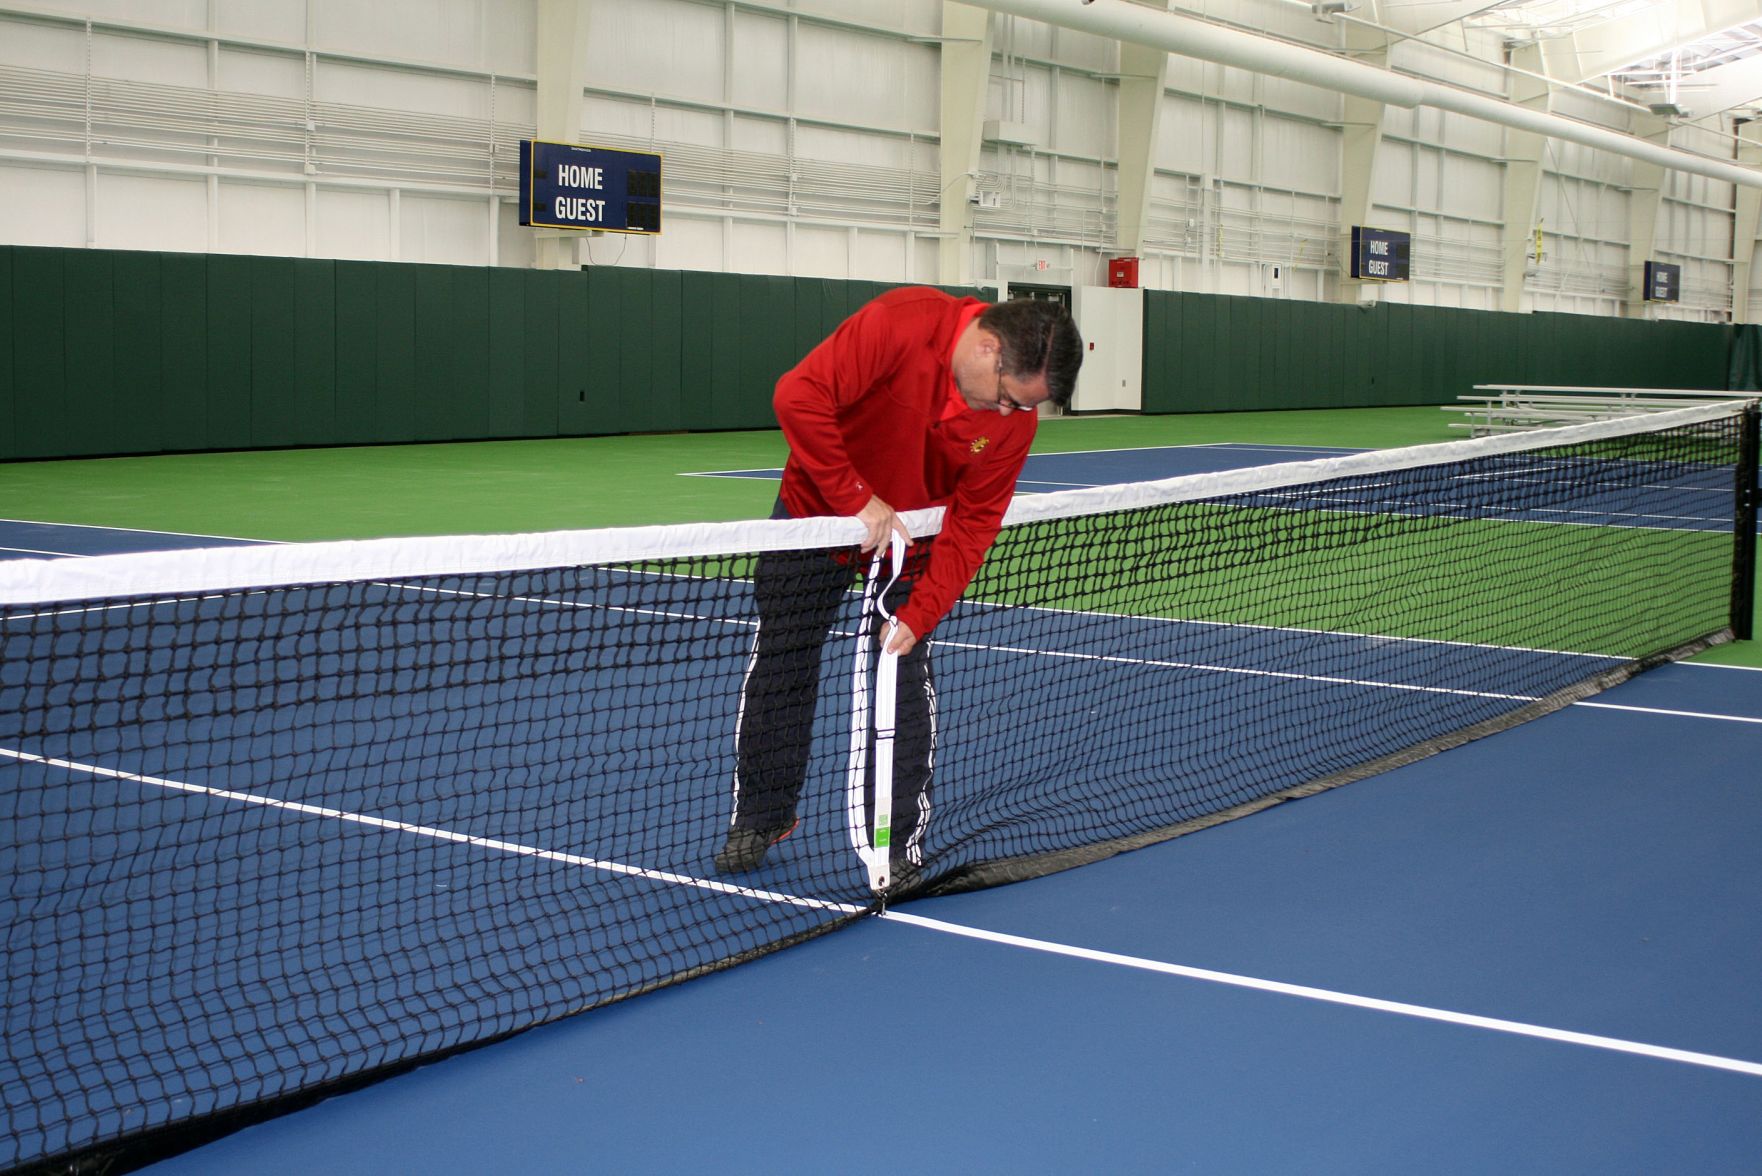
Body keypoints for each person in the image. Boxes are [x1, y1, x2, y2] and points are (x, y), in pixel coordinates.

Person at [714, 287, 1084, 887]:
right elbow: (798, 396)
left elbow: (974, 523)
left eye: (1028, 408)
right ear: (988, 350)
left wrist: (922, 612)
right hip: (817, 510)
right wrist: (854, 499)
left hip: (912, 537)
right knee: (784, 655)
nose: (1014, 416)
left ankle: (893, 843)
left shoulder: (1011, 426)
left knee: (903, 666)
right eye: (1011, 399)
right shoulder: (898, 324)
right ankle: (762, 815)